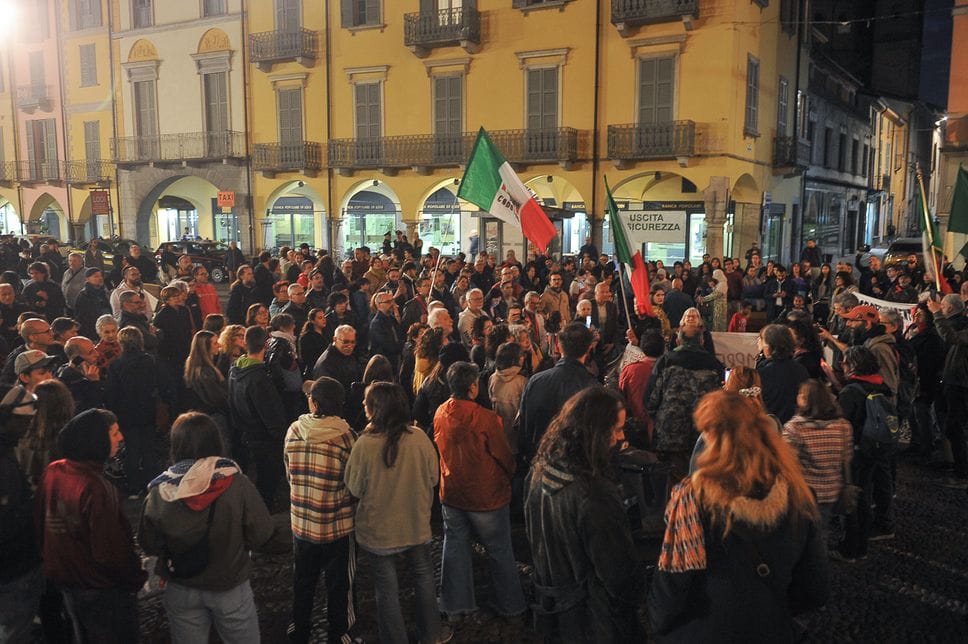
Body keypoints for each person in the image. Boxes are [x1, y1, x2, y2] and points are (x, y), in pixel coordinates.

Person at [648, 390, 829, 640]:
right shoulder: (799, 494)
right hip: (770, 629)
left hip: (704, 631)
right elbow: (815, 588)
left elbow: (673, 584)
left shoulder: (693, 497)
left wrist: (657, 625)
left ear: (711, 435)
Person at [139, 412, 278, 644]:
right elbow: (262, 532)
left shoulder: (158, 490)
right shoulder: (236, 483)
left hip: (181, 584)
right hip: (229, 584)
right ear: (216, 441)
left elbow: (149, 543)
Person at [526, 387, 645, 642]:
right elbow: (618, 573)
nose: (620, 437)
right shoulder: (594, 495)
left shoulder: (540, 470)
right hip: (593, 620)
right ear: (596, 433)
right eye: (617, 429)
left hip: (552, 610)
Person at [344, 383, 451, 644]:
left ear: (373, 409)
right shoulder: (418, 438)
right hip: (415, 523)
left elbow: (354, 488)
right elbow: (433, 477)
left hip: (379, 530)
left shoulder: (364, 445)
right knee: (424, 577)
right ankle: (432, 633)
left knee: (386, 588)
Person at [38, 409, 147, 643]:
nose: (121, 438)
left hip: (66, 581)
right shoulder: (95, 487)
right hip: (101, 590)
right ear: (96, 439)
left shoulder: (54, 471)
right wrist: (134, 578)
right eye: (115, 433)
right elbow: (110, 550)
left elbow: (41, 523)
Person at [434, 362, 525, 620]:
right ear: (473, 387)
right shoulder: (485, 418)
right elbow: (502, 453)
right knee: (499, 550)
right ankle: (512, 605)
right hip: (487, 494)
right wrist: (510, 472)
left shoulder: (441, 412)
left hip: (452, 492)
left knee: (454, 546)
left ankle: (455, 604)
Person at [284, 375, 358, 642]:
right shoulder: (348, 438)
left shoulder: (293, 430)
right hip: (337, 525)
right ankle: (339, 634)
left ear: (313, 403)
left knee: (303, 580)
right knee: (340, 585)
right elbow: (354, 485)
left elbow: (289, 475)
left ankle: (299, 627)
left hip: (302, 522)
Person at [646, 324, 725, 478]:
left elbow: (651, 398)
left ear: (678, 340)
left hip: (669, 433)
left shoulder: (666, 361)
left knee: (670, 483)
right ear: (702, 341)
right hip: (702, 435)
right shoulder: (715, 365)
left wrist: (656, 417)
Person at [518, 322, 597, 461]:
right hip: (575, 464)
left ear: (559, 346)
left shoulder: (536, 381)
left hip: (541, 459)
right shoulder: (593, 389)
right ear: (589, 348)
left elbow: (525, 426)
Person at [228, 325, 288, 506]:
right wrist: (280, 437)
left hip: (245, 432)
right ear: (267, 344)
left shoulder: (235, 369)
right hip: (263, 438)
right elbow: (271, 413)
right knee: (266, 479)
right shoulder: (259, 378)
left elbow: (231, 401)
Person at [783, 380, 853, 532]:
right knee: (821, 530)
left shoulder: (795, 428)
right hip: (832, 490)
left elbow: (787, 463)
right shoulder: (843, 426)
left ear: (805, 400)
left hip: (804, 493)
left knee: (803, 534)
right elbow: (846, 459)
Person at [106, 326, 168, 496]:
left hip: (126, 415)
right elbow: (162, 385)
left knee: (131, 451)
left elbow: (111, 393)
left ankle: (134, 486)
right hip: (148, 411)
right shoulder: (151, 361)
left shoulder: (116, 365)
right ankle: (153, 485)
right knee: (149, 449)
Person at [927, 293, 968, 486]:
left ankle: (962, 473)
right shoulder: (957, 323)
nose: (940, 307)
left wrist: (936, 314)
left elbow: (950, 337)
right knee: (953, 425)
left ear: (950, 308)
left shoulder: (963, 326)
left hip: (961, 384)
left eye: (942, 305)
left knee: (957, 427)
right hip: (953, 381)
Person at [182, 331, 231, 450]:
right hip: (214, 417)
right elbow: (217, 397)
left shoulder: (193, 367)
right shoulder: (205, 372)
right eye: (215, 343)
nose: (219, 345)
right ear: (205, 347)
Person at [756, 324, 810, 424]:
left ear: (768, 346)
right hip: (796, 424)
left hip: (771, 426)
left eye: (761, 339)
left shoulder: (763, 372)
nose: (758, 342)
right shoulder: (801, 369)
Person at [488, 342, 527, 454]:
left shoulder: (493, 378)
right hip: (516, 437)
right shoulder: (522, 382)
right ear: (517, 360)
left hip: (499, 435)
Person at [73, 268, 112, 341]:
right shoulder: (84, 295)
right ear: (87, 279)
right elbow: (81, 317)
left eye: (100, 276)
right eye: (96, 276)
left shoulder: (103, 292)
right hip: (92, 333)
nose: (100, 278)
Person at [297, 308, 329, 379]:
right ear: (313, 321)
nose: (324, 320)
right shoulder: (307, 337)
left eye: (324, 317)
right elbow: (306, 357)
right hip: (315, 370)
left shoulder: (326, 333)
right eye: (320, 318)